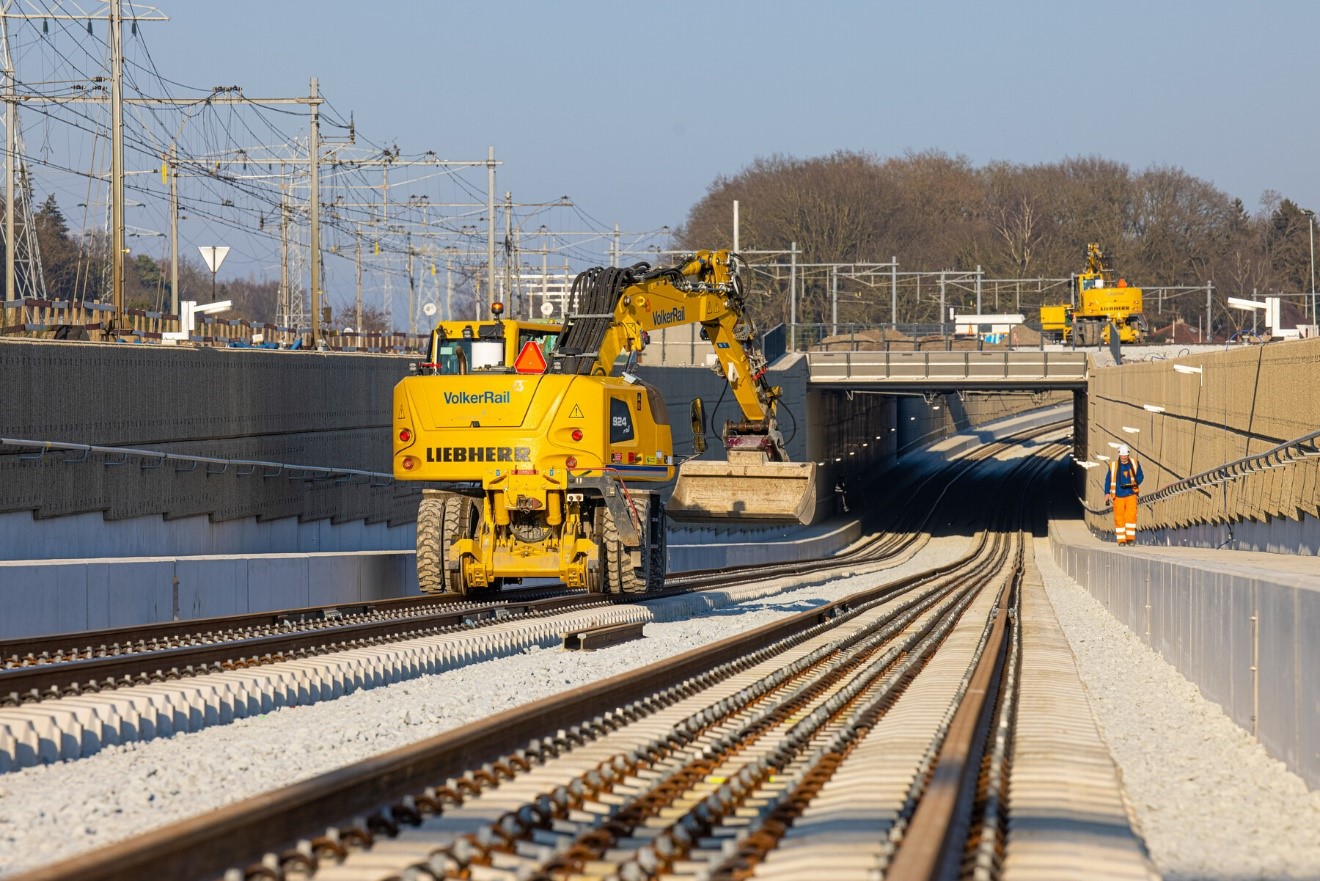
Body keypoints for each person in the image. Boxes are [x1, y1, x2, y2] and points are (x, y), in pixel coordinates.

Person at [1104, 444, 1144, 545]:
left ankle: (1130, 539)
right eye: (1122, 455)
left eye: (1125, 455)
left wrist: (1135, 482)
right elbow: (1108, 480)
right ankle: (1121, 540)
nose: (1124, 457)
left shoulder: (1134, 463)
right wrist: (1107, 493)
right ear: (1119, 454)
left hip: (1131, 493)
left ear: (1128, 454)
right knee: (1119, 518)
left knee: (1131, 516)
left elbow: (1140, 476)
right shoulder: (1113, 466)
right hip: (1118, 495)